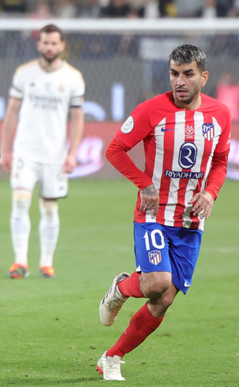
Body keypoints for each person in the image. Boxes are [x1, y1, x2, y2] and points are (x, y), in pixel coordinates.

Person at [97, 44, 231, 381]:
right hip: (153, 215)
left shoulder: (219, 116)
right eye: (174, 74)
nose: (179, 81)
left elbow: (220, 161)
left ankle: (112, 357)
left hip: (190, 222)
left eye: (187, 74)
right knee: (157, 282)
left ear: (204, 76)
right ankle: (122, 289)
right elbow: (115, 149)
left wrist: (211, 194)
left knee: (164, 298)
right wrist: (143, 183)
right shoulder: (151, 111)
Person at [0, 24, 85, 279]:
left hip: (55, 156)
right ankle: (20, 262)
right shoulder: (24, 73)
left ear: (62, 46)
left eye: (53, 43)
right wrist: (6, 150)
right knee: (19, 203)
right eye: (45, 43)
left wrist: (72, 153)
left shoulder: (73, 77)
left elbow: (78, 117)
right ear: (39, 45)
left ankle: (46, 263)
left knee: (49, 208)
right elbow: (12, 112)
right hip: (25, 152)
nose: (49, 47)